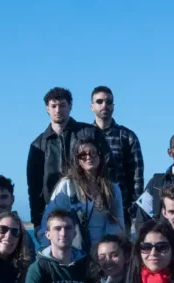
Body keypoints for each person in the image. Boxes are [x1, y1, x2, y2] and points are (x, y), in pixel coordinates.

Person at [27, 87, 112, 228]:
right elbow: (34, 188)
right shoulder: (38, 145)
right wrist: (37, 222)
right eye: (53, 106)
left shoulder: (90, 133)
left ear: (70, 106)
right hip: (55, 213)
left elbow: (109, 167)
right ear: (47, 108)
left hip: (92, 208)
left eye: (62, 105)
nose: (58, 110)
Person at [39, 137, 125, 254]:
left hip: (103, 254)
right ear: (77, 160)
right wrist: (46, 250)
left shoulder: (113, 189)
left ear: (100, 156)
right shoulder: (67, 186)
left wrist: (111, 251)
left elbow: (117, 225)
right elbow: (49, 219)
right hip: (73, 252)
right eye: (83, 155)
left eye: (93, 153)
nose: (88, 157)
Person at [90, 86, 143, 228]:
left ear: (113, 106)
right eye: (99, 101)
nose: (104, 105)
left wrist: (132, 208)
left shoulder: (127, 136)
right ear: (92, 107)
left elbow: (137, 177)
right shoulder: (84, 137)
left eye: (108, 101)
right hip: (90, 210)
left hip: (121, 210)